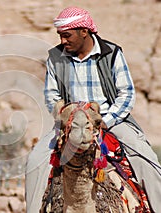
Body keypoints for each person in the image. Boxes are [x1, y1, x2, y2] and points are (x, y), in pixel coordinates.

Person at [26, 6, 161, 213]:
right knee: (35, 161)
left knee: (145, 159)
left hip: (110, 120)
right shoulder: (55, 57)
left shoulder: (111, 54)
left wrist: (106, 121)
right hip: (70, 123)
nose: (63, 41)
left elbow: (126, 94)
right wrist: (65, 117)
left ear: (84, 31)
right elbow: (52, 96)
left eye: (67, 35)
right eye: (60, 36)